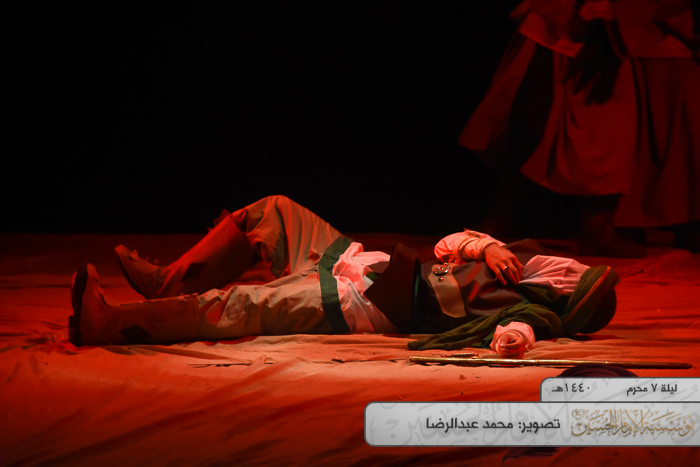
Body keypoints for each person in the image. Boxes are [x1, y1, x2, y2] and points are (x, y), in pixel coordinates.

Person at [69, 195, 619, 357]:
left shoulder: (532, 313)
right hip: (359, 259)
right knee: (274, 210)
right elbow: (446, 245)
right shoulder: (514, 261)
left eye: (574, 277)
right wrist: (486, 244)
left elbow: (515, 336)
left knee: (239, 305)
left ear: (569, 294)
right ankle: (168, 281)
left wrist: (514, 339)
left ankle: (108, 325)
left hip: (358, 302)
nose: (565, 267)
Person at [460, 0, 699, 257]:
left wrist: (615, 14)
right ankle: (499, 219)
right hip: (560, 22)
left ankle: (597, 227)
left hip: (615, 30)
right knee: (528, 123)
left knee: (605, 133)